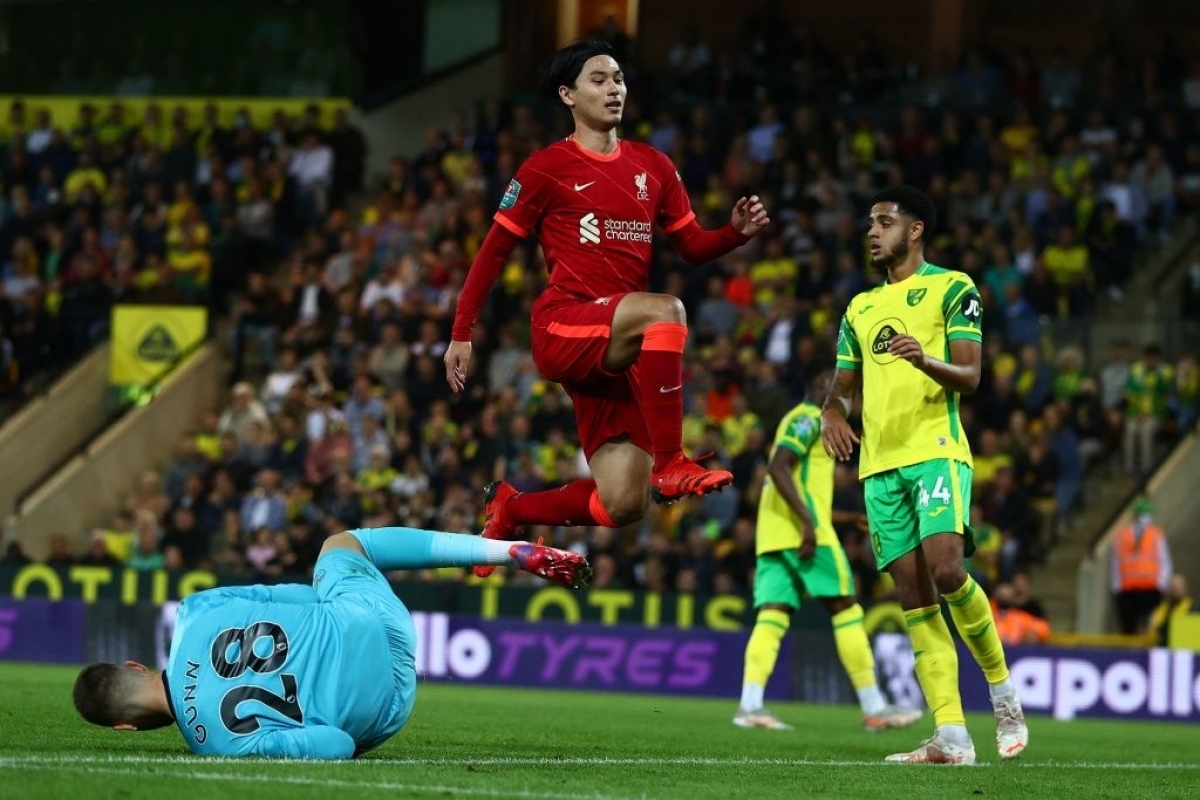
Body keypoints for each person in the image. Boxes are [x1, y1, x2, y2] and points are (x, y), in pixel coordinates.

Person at [444, 40, 770, 576]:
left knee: (624, 502)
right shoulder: (547, 166)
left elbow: (691, 245)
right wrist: (462, 331)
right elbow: (493, 252)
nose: (614, 88)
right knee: (666, 311)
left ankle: (512, 508)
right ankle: (671, 461)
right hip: (564, 324)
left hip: (616, 346)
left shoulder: (653, 166)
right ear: (568, 95)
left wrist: (733, 233)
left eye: (618, 78)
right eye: (598, 79)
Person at [72, 527, 591, 759]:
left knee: (341, 722)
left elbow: (336, 745)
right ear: (134, 665)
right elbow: (297, 596)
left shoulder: (218, 744)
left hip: (391, 702)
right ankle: (501, 549)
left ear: (126, 726)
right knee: (342, 545)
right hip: (376, 616)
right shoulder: (193, 612)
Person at [821, 186, 1028, 766]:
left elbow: (970, 375)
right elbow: (841, 386)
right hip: (879, 466)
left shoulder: (954, 287)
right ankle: (951, 734)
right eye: (870, 222)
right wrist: (831, 412)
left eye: (884, 222)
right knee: (914, 598)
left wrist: (924, 360)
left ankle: (1003, 694)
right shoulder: (859, 308)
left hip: (936, 449)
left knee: (948, 570)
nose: (872, 231)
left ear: (914, 230)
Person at [734, 371, 922, 733]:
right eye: (845, 386)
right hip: (804, 533)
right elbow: (778, 467)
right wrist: (808, 522)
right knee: (845, 606)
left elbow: (796, 482)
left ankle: (750, 705)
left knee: (772, 615)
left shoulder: (798, 420)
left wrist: (846, 518)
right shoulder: (808, 419)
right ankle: (874, 707)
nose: (849, 395)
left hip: (774, 534)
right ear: (823, 383)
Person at [1111, 497, 1172, 635]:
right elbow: (1115, 563)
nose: (1143, 519)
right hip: (1127, 591)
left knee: (1151, 627)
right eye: (1142, 514)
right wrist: (1116, 587)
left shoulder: (1156, 535)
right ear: (1135, 515)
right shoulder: (1122, 536)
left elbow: (1165, 562)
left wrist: (1161, 584)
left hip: (1151, 590)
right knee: (1129, 628)